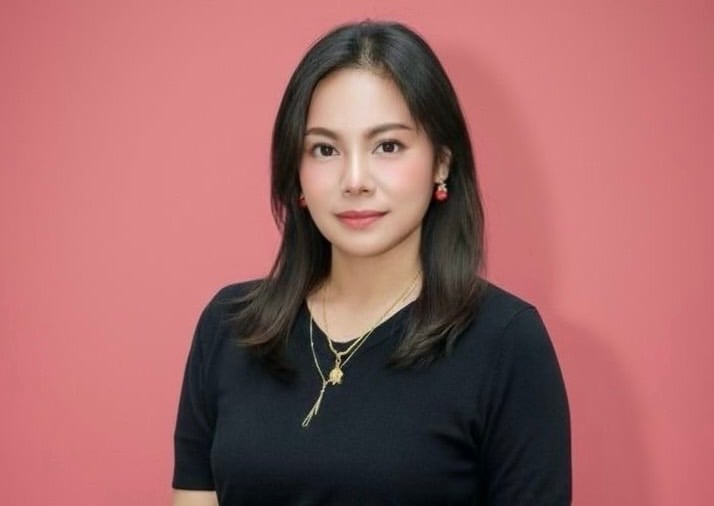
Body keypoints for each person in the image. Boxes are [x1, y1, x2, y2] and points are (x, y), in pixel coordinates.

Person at [172, 20, 571, 506]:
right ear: (296, 171)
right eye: (325, 149)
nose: (355, 180)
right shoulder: (230, 327)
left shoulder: (505, 342)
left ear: (442, 162)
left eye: (388, 146)